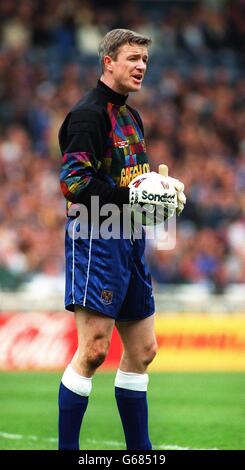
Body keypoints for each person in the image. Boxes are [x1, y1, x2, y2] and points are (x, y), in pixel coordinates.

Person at [58, 28, 185, 450]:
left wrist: (159, 195)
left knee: (144, 350)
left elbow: (137, 185)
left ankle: (139, 455)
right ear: (108, 62)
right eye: (132, 58)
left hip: (128, 236)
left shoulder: (131, 117)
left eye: (144, 60)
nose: (141, 67)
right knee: (94, 350)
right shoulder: (88, 115)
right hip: (97, 236)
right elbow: (74, 183)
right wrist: (133, 195)